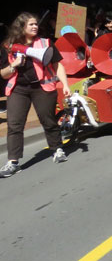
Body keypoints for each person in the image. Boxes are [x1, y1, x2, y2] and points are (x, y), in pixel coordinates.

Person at [0, 12, 72, 178]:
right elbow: (3, 74)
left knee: (48, 120)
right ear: (21, 27)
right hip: (18, 89)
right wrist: (14, 65)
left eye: (36, 24)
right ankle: (13, 161)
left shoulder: (46, 43)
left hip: (42, 87)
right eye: (31, 24)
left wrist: (65, 84)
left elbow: (57, 65)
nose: (35, 27)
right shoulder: (8, 46)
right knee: (14, 124)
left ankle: (57, 149)